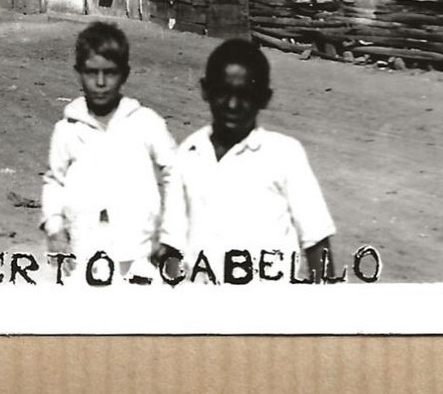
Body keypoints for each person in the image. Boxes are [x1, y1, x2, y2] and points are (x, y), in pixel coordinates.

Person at [158, 39, 335, 283]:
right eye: (222, 92)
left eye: (245, 95)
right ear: (205, 90)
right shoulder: (189, 153)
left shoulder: (284, 154)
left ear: (264, 98)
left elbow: (316, 241)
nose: (232, 105)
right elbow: (173, 246)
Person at [40, 22, 177, 281]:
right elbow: (54, 181)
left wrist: (170, 231)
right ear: (79, 73)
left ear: (124, 74)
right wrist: (55, 229)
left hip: (138, 247)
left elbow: (176, 174)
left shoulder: (145, 122)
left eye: (110, 73)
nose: (100, 83)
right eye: (91, 73)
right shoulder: (67, 128)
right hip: (83, 245)